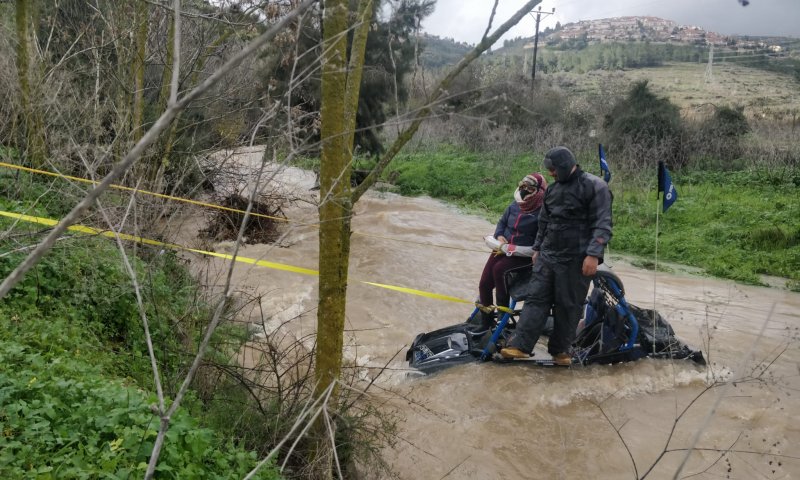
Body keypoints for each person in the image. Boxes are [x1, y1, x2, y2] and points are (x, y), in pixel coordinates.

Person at [500, 146, 612, 365]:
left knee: (569, 305)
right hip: (548, 256)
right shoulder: (552, 190)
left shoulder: (595, 186)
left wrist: (593, 255)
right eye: (549, 169)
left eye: (553, 169)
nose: (550, 173)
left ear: (563, 166)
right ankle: (520, 346)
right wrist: (538, 249)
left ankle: (561, 351)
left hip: (577, 259)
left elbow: (603, 223)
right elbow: (544, 222)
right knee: (535, 298)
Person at [468, 173, 548, 332]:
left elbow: (540, 240)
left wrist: (517, 248)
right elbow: (502, 223)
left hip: (523, 255)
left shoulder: (543, 213)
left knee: (499, 269)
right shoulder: (514, 205)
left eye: (530, 188)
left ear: (539, 191)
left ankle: (502, 316)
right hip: (502, 248)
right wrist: (500, 236)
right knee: (484, 283)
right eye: (523, 187)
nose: (525, 191)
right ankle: (486, 322)